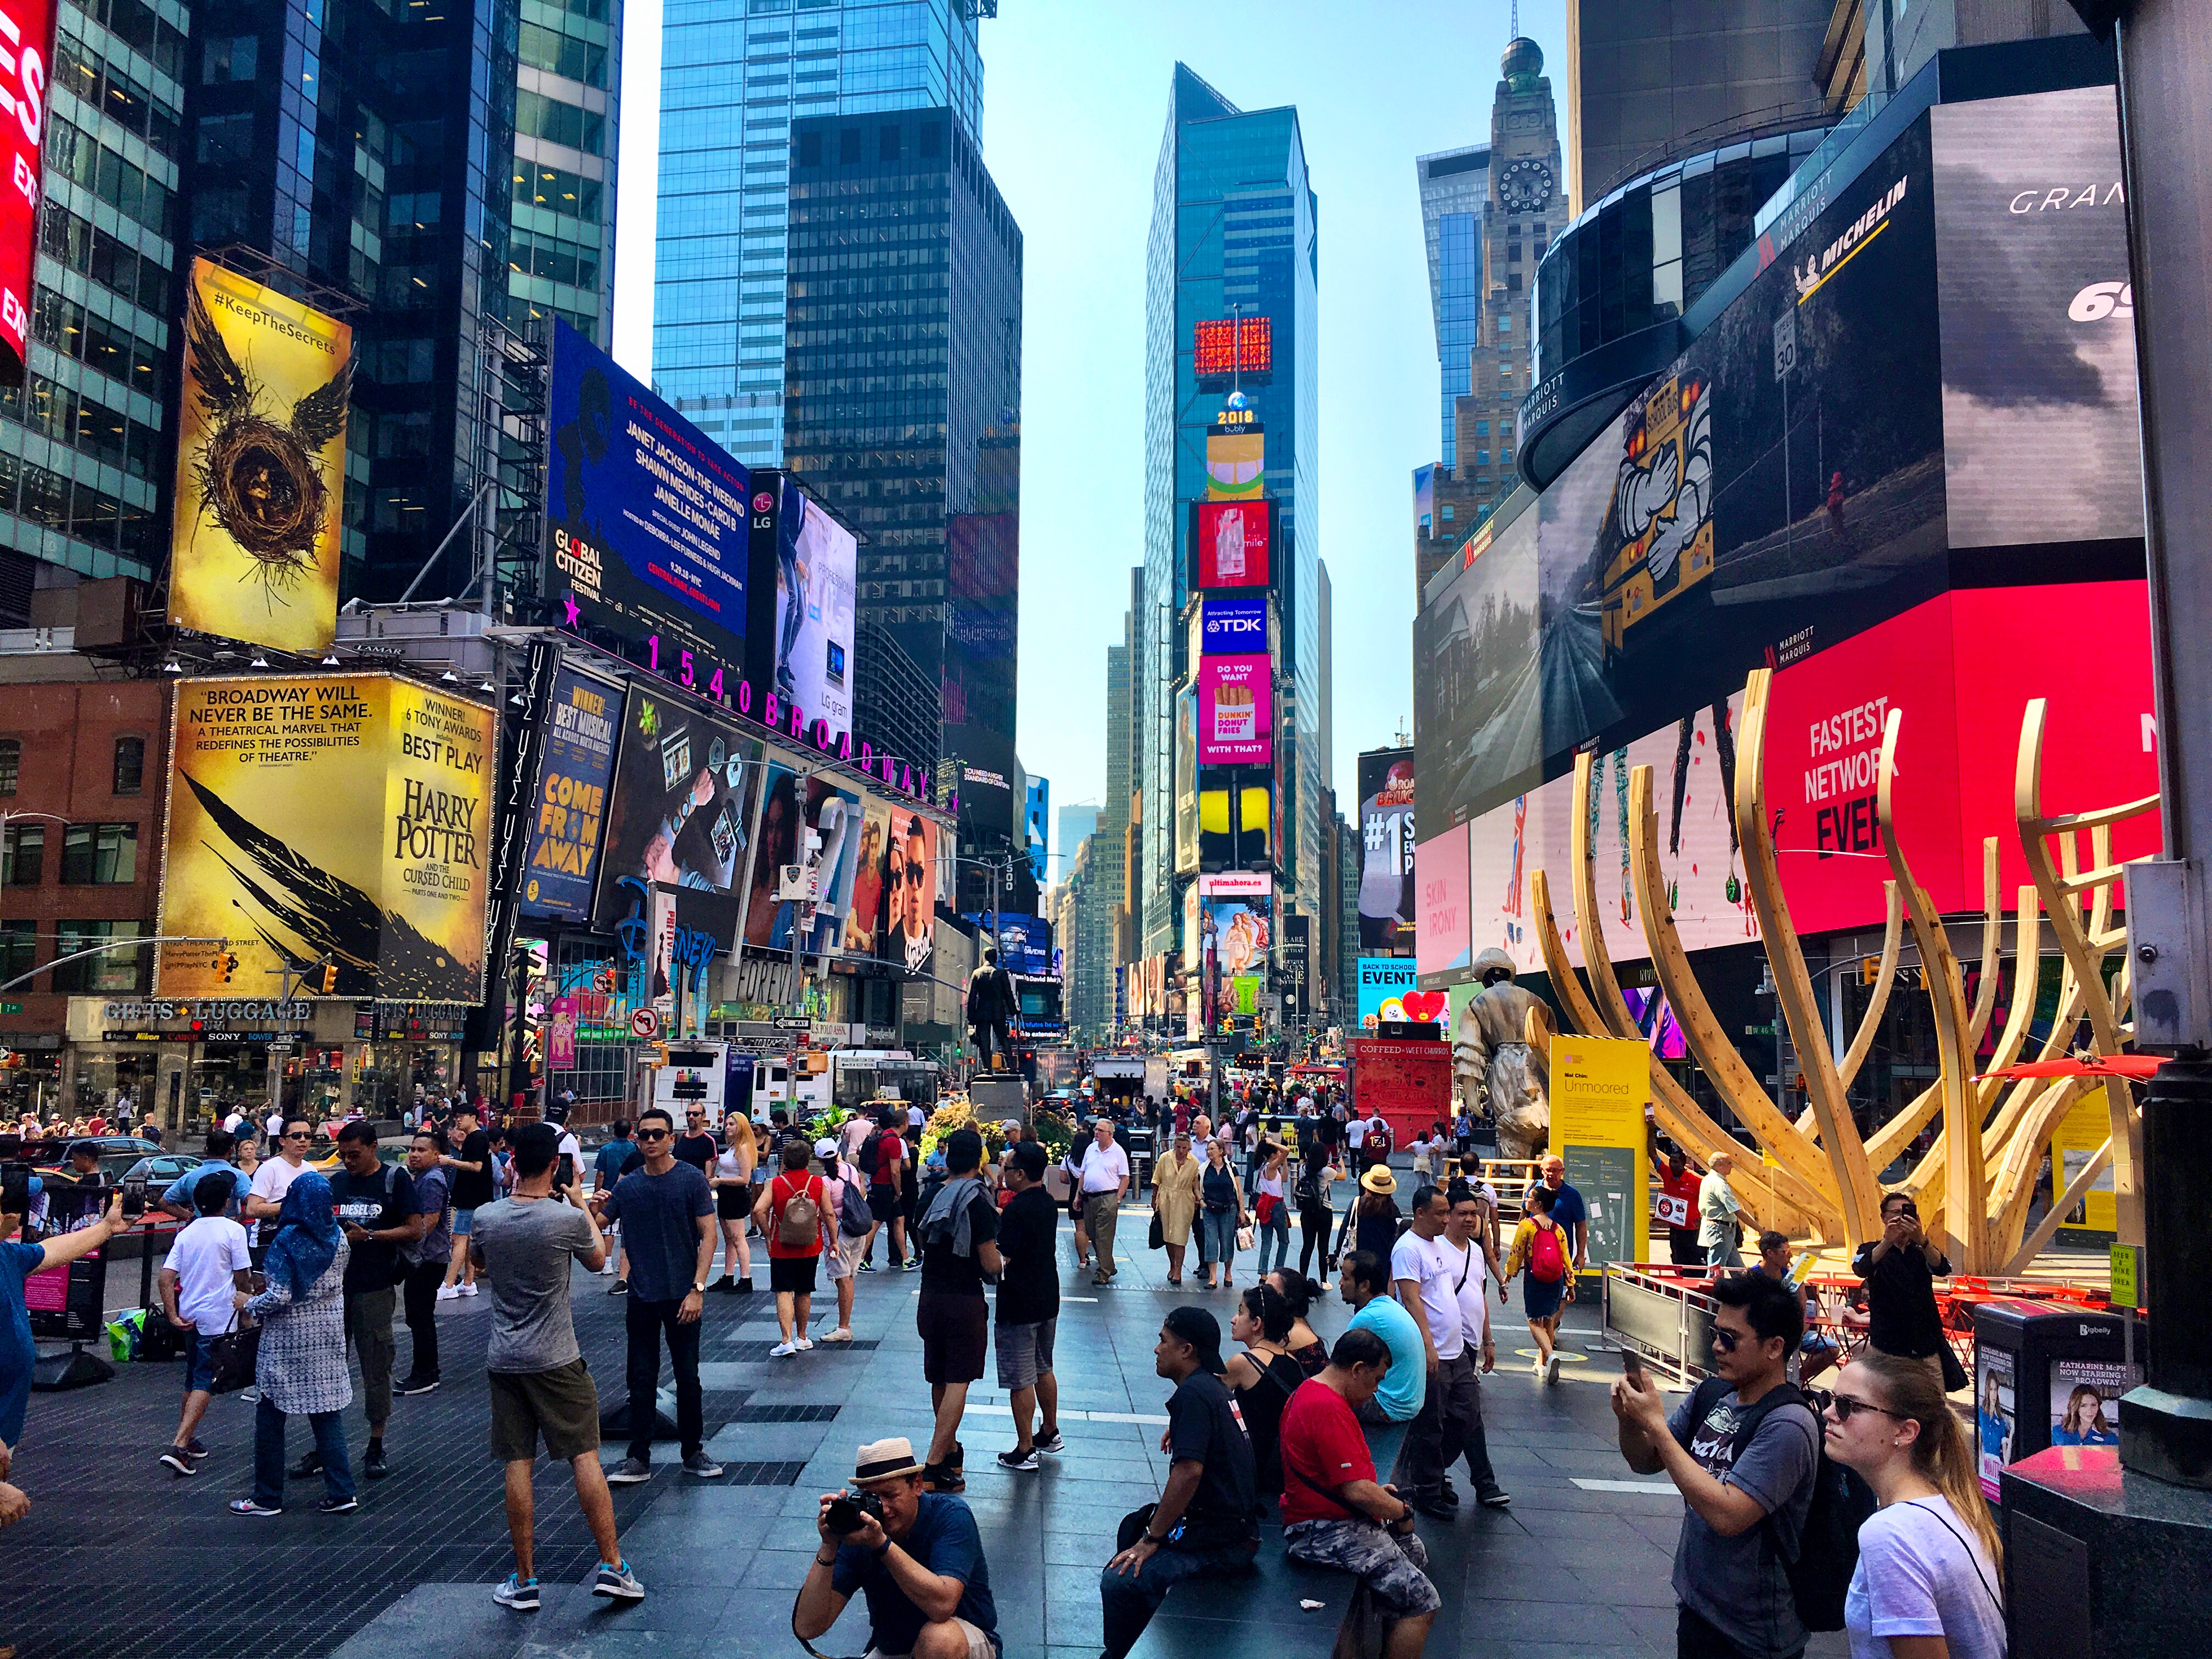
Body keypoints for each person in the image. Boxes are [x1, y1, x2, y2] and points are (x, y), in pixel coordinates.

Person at [470, 1121, 645, 1610]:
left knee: (517, 1462)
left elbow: (480, 1263)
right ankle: (613, 1565)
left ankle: (525, 1580)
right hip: (557, 1356)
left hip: (504, 1357)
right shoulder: (564, 1219)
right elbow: (599, 1259)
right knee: (584, 1456)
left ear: (511, 1164)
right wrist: (578, 1200)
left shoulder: (487, 1216)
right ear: (555, 1165)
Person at [1610, 1271, 1822, 1659]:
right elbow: (1646, 1461)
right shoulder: (1713, 1394)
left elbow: (1728, 1515)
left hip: (1755, 1636)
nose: (1717, 1347)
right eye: (1715, 1332)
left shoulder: (1788, 1425)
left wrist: (1655, 1424)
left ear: (1775, 1347)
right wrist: (1630, 1420)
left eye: (1731, 1338)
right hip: (1699, 1610)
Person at [1820, 1351, 2006, 1659]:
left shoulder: (1890, 1534)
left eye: (1847, 1406)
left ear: (1905, 1432)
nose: (1829, 1412)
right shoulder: (1947, 1505)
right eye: (1831, 1398)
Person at [1101, 1307, 1261, 1659]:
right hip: (1234, 1528)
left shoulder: (1194, 1396)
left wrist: (1153, 1539)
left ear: (1187, 1350)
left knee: (1120, 1579)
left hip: (1223, 1544)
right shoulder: (1211, 1387)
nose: (1156, 1349)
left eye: (1163, 1341)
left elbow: (1189, 1472)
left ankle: (1116, 1654)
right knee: (1132, 1528)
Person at [1277, 1328, 1442, 1659]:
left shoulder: (1309, 1392)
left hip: (1321, 1520)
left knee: (1416, 1557)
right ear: (1358, 1369)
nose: (1375, 1391)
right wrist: (1402, 1511)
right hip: (1322, 1530)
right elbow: (1356, 1490)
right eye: (1376, 1380)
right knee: (1423, 1600)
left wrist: (1379, 1496)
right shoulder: (1327, 1407)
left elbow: (1339, 1479)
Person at [594, 1105, 721, 1483]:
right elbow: (594, 1229)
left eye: (657, 1134)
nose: (649, 1140)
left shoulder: (691, 1180)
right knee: (641, 1378)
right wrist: (584, 1204)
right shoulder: (628, 1185)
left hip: (683, 1294)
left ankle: (692, 1451)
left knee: (688, 1377)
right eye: (643, 1134)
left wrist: (698, 1288)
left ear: (671, 1139)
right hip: (643, 1296)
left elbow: (709, 1236)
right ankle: (638, 1457)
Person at [795, 1436, 1001, 1659]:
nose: (883, 1509)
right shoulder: (860, 1532)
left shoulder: (950, 1516)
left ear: (918, 1485)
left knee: (941, 1640)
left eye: (890, 1495)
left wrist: (883, 1545)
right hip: (896, 1648)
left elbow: (942, 1606)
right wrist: (829, 1546)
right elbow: (808, 1627)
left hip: (962, 1642)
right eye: (872, 1498)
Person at [228, 1171, 359, 1516]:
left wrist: (248, 1304)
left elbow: (280, 1296)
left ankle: (266, 1497)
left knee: (271, 1415)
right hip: (329, 1336)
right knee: (327, 1414)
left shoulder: (288, 1240)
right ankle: (342, 1491)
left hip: (287, 1340)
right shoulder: (339, 1238)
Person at [311, 1119, 425, 1482]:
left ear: (373, 1148)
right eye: (342, 1155)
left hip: (375, 1287)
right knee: (327, 1368)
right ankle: (323, 1446)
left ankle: (376, 1445)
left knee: (376, 1365)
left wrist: (372, 1236)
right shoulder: (338, 1183)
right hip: (334, 1290)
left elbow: (415, 1229)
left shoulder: (395, 1180)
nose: (348, 1161)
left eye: (354, 1155)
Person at [1389, 1183, 1506, 1516]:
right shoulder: (1408, 1248)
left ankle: (1433, 1477)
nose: (1446, 1220)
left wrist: (1484, 1338)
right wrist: (1427, 1345)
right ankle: (1427, 1491)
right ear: (1421, 1213)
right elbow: (1410, 1299)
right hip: (1434, 1350)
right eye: (1442, 1213)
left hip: (1458, 1350)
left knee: (1466, 1416)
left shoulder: (1436, 1247)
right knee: (1431, 1425)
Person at [916, 1128, 1001, 1493]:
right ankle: (934, 1465)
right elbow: (989, 1264)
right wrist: (1002, 1266)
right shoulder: (978, 1203)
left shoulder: (931, 1196)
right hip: (964, 1299)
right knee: (958, 1380)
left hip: (930, 1295)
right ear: (979, 1161)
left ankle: (950, 1452)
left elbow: (920, 1240)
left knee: (939, 1376)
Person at [157, 1170, 252, 1475]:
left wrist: (172, 1315)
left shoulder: (187, 1232)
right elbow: (242, 1277)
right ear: (228, 1202)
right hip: (219, 1318)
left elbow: (166, 1277)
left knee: (191, 1377)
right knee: (205, 1380)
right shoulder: (234, 1232)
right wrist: (248, 1307)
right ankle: (180, 1443)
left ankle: (188, 1437)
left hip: (190, 1315)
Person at [1850, 1193, 1967, 1393]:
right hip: (1888, 1346)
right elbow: (1861, 1268)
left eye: (1907, 1213)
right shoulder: (1871, 1249)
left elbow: (1943, 1267)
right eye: (1895, 1213)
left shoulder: (1921, 1250)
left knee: (1935, 1405)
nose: (1902, 1219)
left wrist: (1921, 1239)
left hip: (1925, 1345)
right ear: (1883, 1217)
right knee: (1890, 1403)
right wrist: (1888, 1241)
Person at [992, 1142, 1062, 1471]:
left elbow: (1003, 1257)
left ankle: (1025, 1448)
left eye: (1007, 1168)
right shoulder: (1048, 1202)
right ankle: (1049, 1430)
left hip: (1019, 1301)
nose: (1002, 1172)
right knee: (1043, 1367)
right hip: (1047, 1296)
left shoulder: (1017, 1210)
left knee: (1020, 1378)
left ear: (1020, 1174)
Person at [1222, 1284, 1306, 1500]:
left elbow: (1205, 1399)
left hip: (1253, 1467)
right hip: (1283, 1466)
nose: (1233, 1319)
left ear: (1257, 1324)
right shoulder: (1292, 1361)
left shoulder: (1243, 1363)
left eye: (1241, 1312)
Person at [757, 1137, 829, 1357]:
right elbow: (829, 1213)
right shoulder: (817, 1183)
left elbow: (759, 1210)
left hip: (782, 1246)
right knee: (805, 1290)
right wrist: (832, 1240)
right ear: (808, 1160)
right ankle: (803, 1337)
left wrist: (769, 1236)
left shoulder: (777, 1184)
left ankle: (786, 1340)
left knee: (783, 1290)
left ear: (786, 1160)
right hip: (810, 1245)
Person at [394, 1130, 453, 1397]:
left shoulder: (431, 1181)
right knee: (418, 1316)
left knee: (420, 1317)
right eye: (413, 1150)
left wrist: (408, 1245)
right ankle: (426, 1371)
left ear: (436, 1155)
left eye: (422, 1151)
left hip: (428, 1258)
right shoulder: (422, 1178)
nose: (414, 1155)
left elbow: (428, 1222)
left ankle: (425, 1373)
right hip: (425, 1257)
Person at [1340, 1249, 1425, 1425]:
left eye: (1346, 1278)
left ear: (1364, 1285)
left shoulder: (1369, 1318)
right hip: (1409, 1403)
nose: (1340, 1283)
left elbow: (1337, 1368)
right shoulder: (1387, 1306)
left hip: (1389, 1407)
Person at [1505, 1183, 1575, 1383]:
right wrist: (1570, 1284)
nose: (1526, 1200)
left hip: (1535, 1278)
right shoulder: (1558, 1229)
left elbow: (1516, 1252)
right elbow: (1565, 1258)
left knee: (1534, 1322)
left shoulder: (1527, 1225)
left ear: (1538, 1204)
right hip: (1556, 1280)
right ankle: (1543, 1364)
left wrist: (1508, 1276)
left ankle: (1551, 1356)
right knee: (1549, 1322)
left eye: (1529, 1198)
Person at [244, 1116, 314, 1271]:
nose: (303, 1140)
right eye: (296, 1136)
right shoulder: (269, 1169)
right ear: (282, 1141)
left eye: (307, 1136)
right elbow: (252, 1209)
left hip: (302, 1242)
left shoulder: (311, 1170)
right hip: (269, 1243)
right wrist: (290, 1206)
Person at [440, 1103, 494, 1298]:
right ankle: (468, 1283)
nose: (458, 1120)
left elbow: (476, 1166)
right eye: (457, 1117)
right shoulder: (476, 1138)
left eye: (463, 1116)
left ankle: (448, 1285)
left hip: (471, 1197)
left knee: (459, 1239)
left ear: (474, 1117)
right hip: (474, 1196)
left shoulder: (477, 1138)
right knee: (468, 1240)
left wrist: (450, 1162)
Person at [816, 1136, 863, 1344]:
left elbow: (825, 1213)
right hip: (857, 1228)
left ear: (819, 1161)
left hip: (839, 1234)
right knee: (849, 1277)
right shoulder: (852, 1170)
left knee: (843, 1280)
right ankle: (845, 1324)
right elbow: (861, 1192)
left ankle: (844, 1327)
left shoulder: (825, 1182)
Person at [1647, 1110, 1707, 1269]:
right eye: (1671, 1162)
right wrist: (1651, 1130)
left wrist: (1704, 1219)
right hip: (1675, 1227)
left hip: (1692, 1229)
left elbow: (1708, 1200)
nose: (1673, 1165)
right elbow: (1652, 1154)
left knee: (1693, 1261)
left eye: (1676, 1163)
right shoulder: (1667, 1173)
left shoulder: (1695, 1181)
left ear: (1684, 1164)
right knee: (1676, 1258)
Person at [1076, 1118, 1131, 1288]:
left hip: (1108, 1197)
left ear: (1110, 1134)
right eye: (1096, 1129)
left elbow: (1125, 1177)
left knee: (1103, 1236)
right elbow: (1083, 1173)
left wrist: (1118, 1198)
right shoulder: (1091, 1149)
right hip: (1089, 1197)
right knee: (1092, 1234)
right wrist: (1079, 1195)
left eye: (1100, 1130)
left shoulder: (1118, 1152)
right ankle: (1108, 1265)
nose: (1096, 1132)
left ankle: (1103, 1273)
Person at [710, 1112, 758, 1295]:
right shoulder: (733, 1147)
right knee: (729, 1239)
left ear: (741, 1127)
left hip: (736, 1195)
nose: (728, 1127)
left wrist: (720, 1181)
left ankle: (746, 1278)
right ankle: (728, 1276)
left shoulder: (744, 1148)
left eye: (732, 1124)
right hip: (725, 1194)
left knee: (738, 1239)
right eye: (727, 1124)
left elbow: (744, 1179)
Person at [159, 1128, 245, 1223]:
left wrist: (190, 1216)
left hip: (198, 1227)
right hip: (229, 1229)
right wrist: (239, 1218)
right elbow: (253, 1205)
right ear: (231, 1150)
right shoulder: (238, 1176)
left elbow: (164, 1202)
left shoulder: (190, 1176)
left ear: (205, 1149)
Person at [1152, 1130, 1201, 1286]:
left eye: (1184, 1148)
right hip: (1166, 1198)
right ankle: (1172, 1265)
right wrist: (1155, 1199)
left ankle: (1178, 1270)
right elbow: (1156, 1180)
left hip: (1184, 1200)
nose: (1181, 1151)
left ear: (1189, 1148)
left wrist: (1197, 1201)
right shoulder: (1165, 1158)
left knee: (1180, 1237)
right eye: (1179, 1147)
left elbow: (1196, 1185)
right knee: (1168, 1236)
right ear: (1174, 1145)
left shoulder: (1194, 1163)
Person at [865, 1108, 913, 1273]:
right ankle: (860, 1258)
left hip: (880, 1185)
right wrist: (898, 1191)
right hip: (885, 1187)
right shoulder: (894, 1142)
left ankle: (906, 1258)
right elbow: (895, 1170)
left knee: (899, 1220)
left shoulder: (885, 1136)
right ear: (905, 1122)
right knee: (876, 1223)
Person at [1197, 1135, 1245, 1290]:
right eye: (1208, 1149)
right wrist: (1201, 1201)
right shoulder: (1203, 1169)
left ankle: (1228, 1272)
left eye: (1212, 1149)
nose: (1209, 1152)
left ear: (1221, 1151)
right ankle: (1213, 1278)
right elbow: (1196, 1187)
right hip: (1210, 1210)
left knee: (1227, 1241)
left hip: (1228, 1210)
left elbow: (1239, 1191)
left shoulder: (1232, 1168)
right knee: (1210, 1242)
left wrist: (1242, 1212)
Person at [592, 1118, 637, 1284]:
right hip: (630, 1193)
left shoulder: (606, 1150)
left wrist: (598, 1192)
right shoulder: (634, 1149)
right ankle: (626, 1266)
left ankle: (608, 1263)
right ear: (630, 1131)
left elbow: (601, 1174)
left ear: (614, 1131)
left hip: (608, 1192)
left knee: (609, 1229)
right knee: (628, 1231)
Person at [1262, 1267, 1332, 1374]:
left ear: (1289, 1299)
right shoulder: (1293, 1324)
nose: (1263, 1295)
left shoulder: (1292, 1333)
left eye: (1270, 1291)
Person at [1296, 1135, 1344, 1284]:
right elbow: (1343, 1176)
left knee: (1307, 1246)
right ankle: (1324, 1280)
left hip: (1307, 1212)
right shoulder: (1326, 1172)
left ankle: (1302, 1277)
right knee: (1323, 1246)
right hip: (1324, 1211)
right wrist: (1341, 1163)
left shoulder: (1303, 1169)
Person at [1536, 1153, 1588, 1274]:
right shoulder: (1534, 1189)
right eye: (1548, 1170)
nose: (1551, 1174)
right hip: (1535, 1256)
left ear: (1562, 1172)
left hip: (1560, 1257)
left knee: (1558, 1291)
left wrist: (1580, 1255)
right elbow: (1524, 1217)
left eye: (1555, 1171)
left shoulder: (1573, 1195)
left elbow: (1581, 1226)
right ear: (1542, 1170)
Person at [1250, 1136, 1292, 1277]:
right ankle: (1278, 1270)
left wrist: (1284, 1161)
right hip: (1277, 1205)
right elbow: (1287, 1150)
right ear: (1274, 1154)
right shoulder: (1271, 1166)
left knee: (1266, 1241)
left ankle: (1263, 1273)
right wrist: (1273, 1143)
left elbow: (1284, 1178)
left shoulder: (1263, 1168)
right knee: (1284, 1240)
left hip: (1265, 1206)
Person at [1345, 1165, 1402, 1267]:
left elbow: (1345, 1228)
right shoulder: (1392, 1209)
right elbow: (1397, 1235)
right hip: (1383, 1260)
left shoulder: (1358, 1204)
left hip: (1359, 1258)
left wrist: (1337, 1254)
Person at [1699, 1152, 1743, 1273]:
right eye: (1729, 1163)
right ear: (1719, 1166)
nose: (1732, 1166)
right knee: (1716, 1271)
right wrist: (1761, 1230)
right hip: (1721, 1229)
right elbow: (1737, 1210)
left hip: (1722, 1229)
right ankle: (1709, 1291)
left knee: (1738, 1269)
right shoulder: (1719, 1184)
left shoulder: (1707, 1179)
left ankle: (1745, 1290)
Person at [2052, 1384, 2116, 1448]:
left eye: (2094, 1405)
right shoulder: (2057, 1433)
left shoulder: (2110, 1438)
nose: (2090, 1410)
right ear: (2076, 1407)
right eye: (2084, 1406)